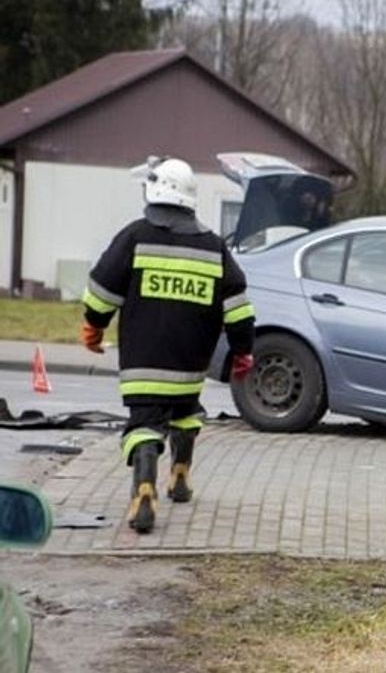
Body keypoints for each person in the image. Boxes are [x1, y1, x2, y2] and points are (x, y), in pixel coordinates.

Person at [80, 158, 255, 534]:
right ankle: (179, 475)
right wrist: (243, 349)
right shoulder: (213, 247)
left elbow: (101, 290)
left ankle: (144, 487)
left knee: (144, 425)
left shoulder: (135, 236)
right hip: (191, 365)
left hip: (143, 364)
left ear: (153, 192)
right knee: (185, 412)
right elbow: (239, 307)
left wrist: (93, 328)